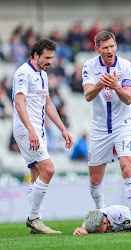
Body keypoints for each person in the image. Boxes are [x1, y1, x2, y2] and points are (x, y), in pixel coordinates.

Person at [82, 31, 131, 233]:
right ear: (97, 49)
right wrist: (101, 82)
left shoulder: (126, 66)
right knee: (94, 180)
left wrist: (116, 85)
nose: (109, 50)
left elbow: (128, 99)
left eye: (112, 46)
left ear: (116, 45)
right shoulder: (89, 66)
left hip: (123, 124)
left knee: (127, 167)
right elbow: (88, 96)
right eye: (105, 47)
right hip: (100, 127)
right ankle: (101, 214)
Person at [12, 38, 73, 234]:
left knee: (37, 174)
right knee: (49, 169)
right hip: (26, 130)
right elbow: (19, 104)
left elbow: (48, 104)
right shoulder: (23, 73)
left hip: (38, 130)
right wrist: (30, 129)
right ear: (36, 55)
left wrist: (63, 129)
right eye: (47, 57)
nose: (50, 61)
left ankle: (35, 222)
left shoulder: (43, 75)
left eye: (52, 58)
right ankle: (34, 218)